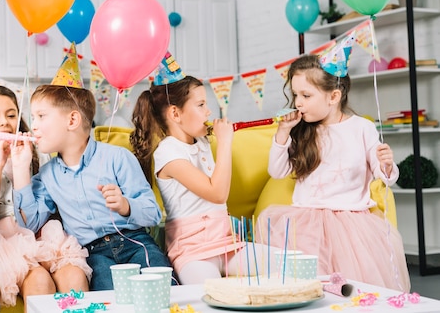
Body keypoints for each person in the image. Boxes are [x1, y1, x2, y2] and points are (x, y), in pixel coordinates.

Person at [12, 43, 172, 290]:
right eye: (34, 118)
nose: (34, 125)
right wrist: (21, 170)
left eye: (41, 116)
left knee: (163, 292)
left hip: (136, 243)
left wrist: (125, 205)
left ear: (72, 120)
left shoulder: (118, 158)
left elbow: (153, 212)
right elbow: (30, 224)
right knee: (107, 303)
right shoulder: (47, 175)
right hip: (94, 255)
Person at [258, 49, 410, 291]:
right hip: (307, 223)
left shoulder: (362, 128)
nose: (298, 102)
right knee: (308, 287)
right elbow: (277, 171)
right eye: (295, 94)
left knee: (355, 289)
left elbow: (385, 176)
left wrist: (387, 165)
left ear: (334, 96)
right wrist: (283, 134)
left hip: (352, 225)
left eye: (306, 95)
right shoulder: (301, 130)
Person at [130, 51, 275, 285]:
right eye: (201, 105)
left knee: (287, 263)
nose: (209, 112)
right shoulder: (168, 152)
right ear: (175, 113)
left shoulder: (202, 142)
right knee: (210, 294)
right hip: (193, 253)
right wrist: (226, 142)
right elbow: (217, 193)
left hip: (228, 245)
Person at [0, 85, 91, 308]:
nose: (4, 123)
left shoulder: (39, 155)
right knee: (39, 280)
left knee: (74, 275)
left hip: (41, 233)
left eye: (11, 115)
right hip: (2, 240)